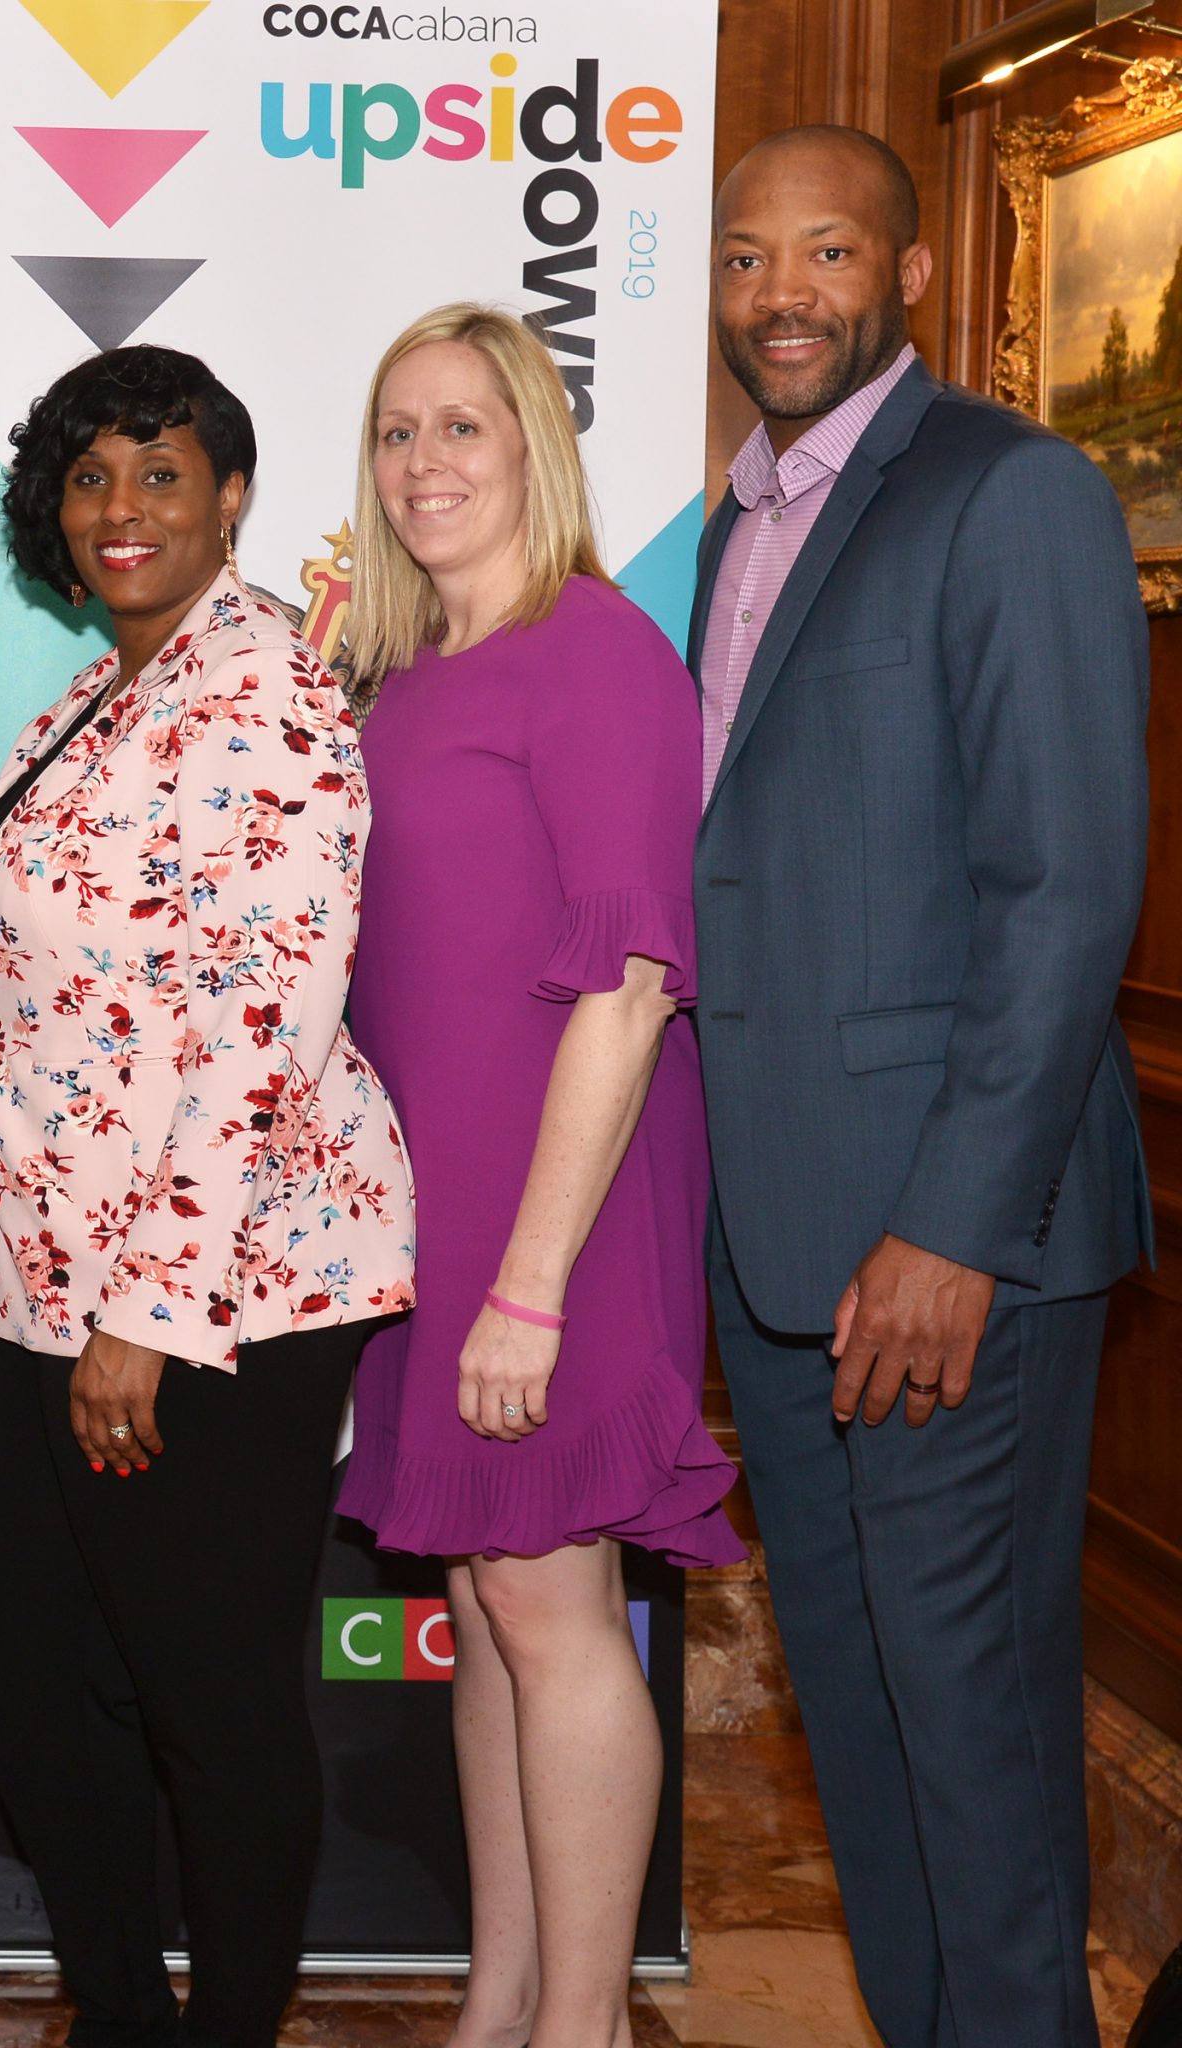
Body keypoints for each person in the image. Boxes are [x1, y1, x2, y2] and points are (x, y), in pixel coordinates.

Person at [697, 125, 1149, 2048]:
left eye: (827, 253)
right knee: (868, 1739)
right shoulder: (739, 521)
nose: (782, 293)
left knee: (977, 1751)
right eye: (746, 257)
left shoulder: (1011, 491)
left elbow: (1067, 890)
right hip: (781, 1248)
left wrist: (953, 1232)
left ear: (910, 275)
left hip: (947, 1258)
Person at [0, 344, 414, 2048]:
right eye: (89, 477)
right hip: (30, 1277)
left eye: (161, 471)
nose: (121, 507)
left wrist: (147, 1315)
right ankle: (124, 2010)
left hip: (226, 1290)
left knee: (210, 1695)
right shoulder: (91, 697)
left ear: (232, 498)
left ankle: (232, 2025)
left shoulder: (267, 689)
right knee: (20, 1653)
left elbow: (262, 1019)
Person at [333, 304, 742, 2048]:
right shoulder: (401, 675)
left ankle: (580, 2027)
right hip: (432, 1215)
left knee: (553, 1606)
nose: (425, 463)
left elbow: (633, 985)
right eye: (398, 431)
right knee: (488, 1601)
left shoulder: (596, 652)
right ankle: (499, 2005)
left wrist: (531, 1281)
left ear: (533, 450)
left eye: (462, 427)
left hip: (555, 1218)